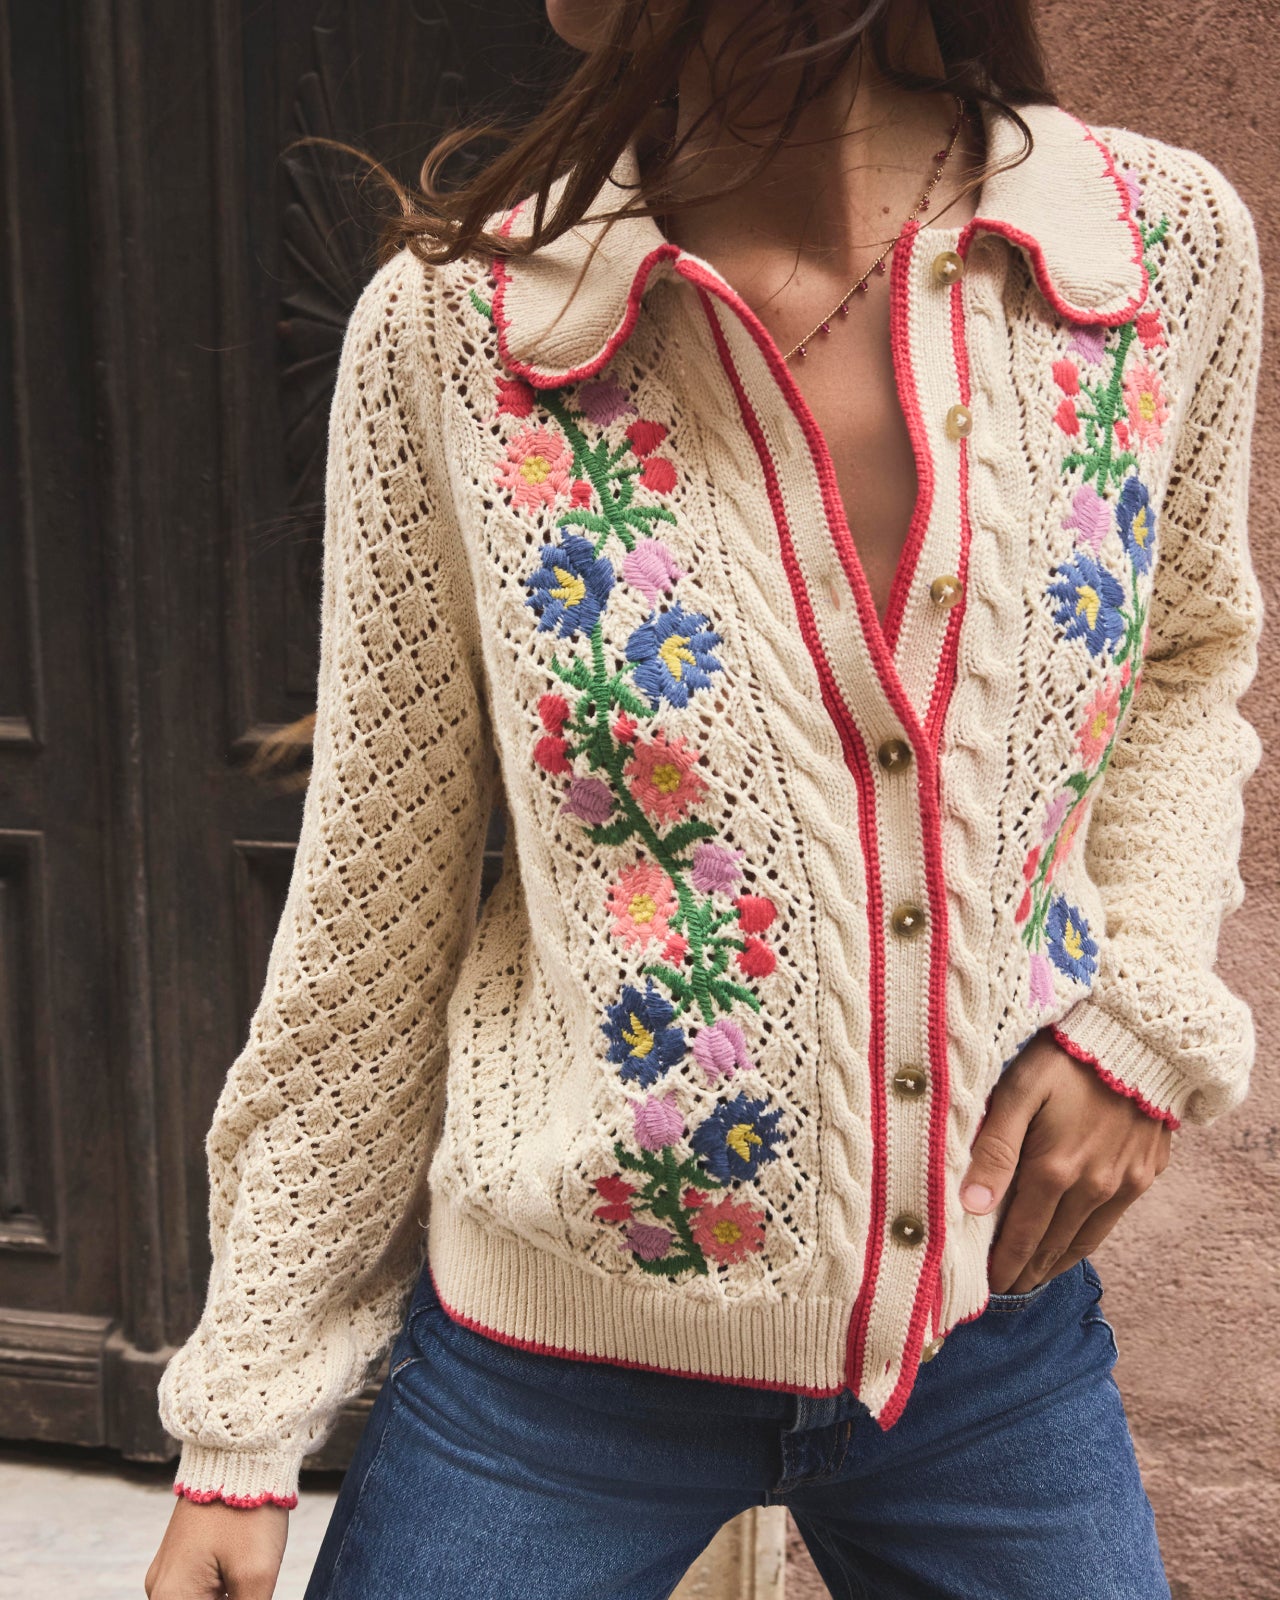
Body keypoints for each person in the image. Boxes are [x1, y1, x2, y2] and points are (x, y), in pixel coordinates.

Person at [145, 1, 1266, 1596]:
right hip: (550, 1371)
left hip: (986, 1344)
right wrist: (244, 1423)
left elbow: (1181, 663)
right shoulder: (465, 332)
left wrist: (1144, 1007)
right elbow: (370, 906)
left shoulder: (1146, 254)